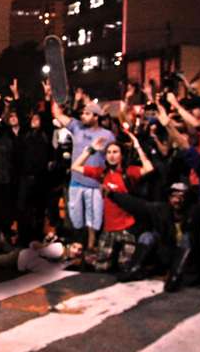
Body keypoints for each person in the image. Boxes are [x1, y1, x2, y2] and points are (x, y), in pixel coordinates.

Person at [71, 131, 154, 272]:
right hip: (109, 230)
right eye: (108, 152)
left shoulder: (129, 172)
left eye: (115, 152)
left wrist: (137, 146)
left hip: (127, 228)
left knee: (125, 266)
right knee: (101, 267)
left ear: (121, 155)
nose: (111, 155)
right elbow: (75, 167)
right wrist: (91, 149)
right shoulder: (102, 173)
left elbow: (149, 168)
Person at [52, 100, 115, 251]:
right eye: (82, 113)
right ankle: (78, 247)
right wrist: (53, 94)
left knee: (94, 219)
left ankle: (92, 247)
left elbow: (112, 158)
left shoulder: (107, 135)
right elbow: (58, 114)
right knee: (75, 217)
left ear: (96, 116)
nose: (83, 116)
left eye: (87, 114)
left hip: (95, 183)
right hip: (76, 181)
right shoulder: (77, 127)